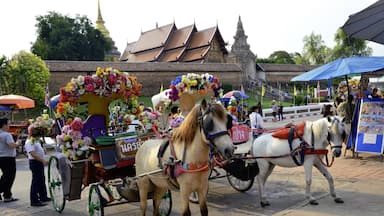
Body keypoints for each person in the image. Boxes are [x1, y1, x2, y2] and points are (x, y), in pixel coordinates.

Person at [24, 125, 51, 207]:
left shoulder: (35, 141)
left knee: (41, 180)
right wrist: (42, 160)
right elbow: (33, 154)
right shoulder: (29, 142)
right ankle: (34, 200)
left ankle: (43, 196)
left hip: (38, 162)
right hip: (35, 162)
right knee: (36, 181)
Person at [0, 117, 21, 202]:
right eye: (8, 124)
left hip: (1, 157)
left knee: (5, 176)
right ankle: (6, 194)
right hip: (8, 158)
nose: (9, 125)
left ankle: (7, 195)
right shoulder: (6, 134)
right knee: (9, 177)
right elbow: (11, 145)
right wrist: (18, 143)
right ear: (4, 125)